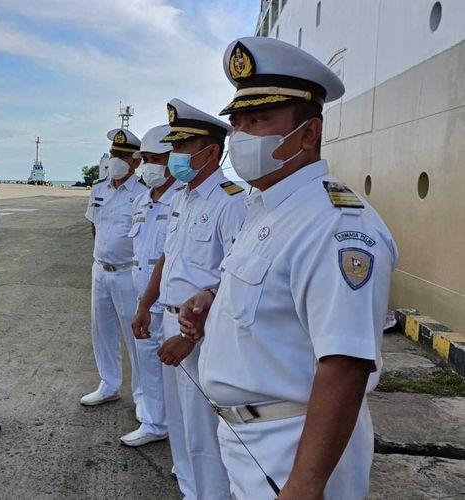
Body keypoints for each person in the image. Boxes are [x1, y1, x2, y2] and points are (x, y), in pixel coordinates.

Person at [184, 37, 398, 499]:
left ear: (308, 133)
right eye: (237, 122)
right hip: (249, 439)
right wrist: (214, 303)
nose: (240, 136)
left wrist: (304, 484)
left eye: (260, 120)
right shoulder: (266, 207)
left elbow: (345, 364)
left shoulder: (336, 225)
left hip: (293, 449)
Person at [132, 99, 245, 499]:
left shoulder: (232, 201)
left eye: (182, 146)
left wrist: (190, 336)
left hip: (200, 330)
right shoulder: (182, 197)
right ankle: (188, 489)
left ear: (210, 152)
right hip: (168, 320)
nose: (174, 156)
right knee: (179, 422)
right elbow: (168, 257)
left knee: (204, 428)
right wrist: (146, 304)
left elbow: (234, 280)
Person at [120, 124, 180, 447]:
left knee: (178, 376)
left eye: (156, 158)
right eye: (145, 159)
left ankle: (180, 436)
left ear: (172, 158)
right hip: (142, 298)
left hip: (170, 302)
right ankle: (155, 423)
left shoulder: (182, 199)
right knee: (147, 365)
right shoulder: (143, 199)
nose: (148, 166)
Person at [81, 128, 147, 412]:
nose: (115, 160)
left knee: (136, 338)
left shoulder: (144, 193)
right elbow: (94, 224)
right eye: (112, 154)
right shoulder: (98, 188)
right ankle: (108, 384)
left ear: (135, 161)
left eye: (121, 155)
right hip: (101, 271)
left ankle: (144, 399)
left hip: (127, 273)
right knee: (103, 331)